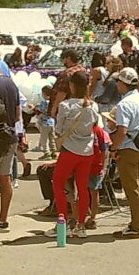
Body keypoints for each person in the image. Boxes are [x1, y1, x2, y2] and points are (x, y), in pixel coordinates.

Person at [109, 67, 139, 238]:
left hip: (129, 147)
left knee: (132, 188)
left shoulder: (123, 104)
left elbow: (122, 131)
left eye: (118, 81)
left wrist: (113, 148)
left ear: (123, 83)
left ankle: (136, 226)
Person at [51, 70, 99, 234]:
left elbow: (58, 129)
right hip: (87, 150)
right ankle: (81, 225)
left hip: (69, 150)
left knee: (58, 183)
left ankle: (62, 221)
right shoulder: (93, 105)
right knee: (83, 187)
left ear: (72, 86)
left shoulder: (66, 106)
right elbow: (95, 125)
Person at [0, 53, 25, 235]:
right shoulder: (11, 84)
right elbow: (18, 114)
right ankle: (3, 218)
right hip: (10, 134)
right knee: (5, 178)